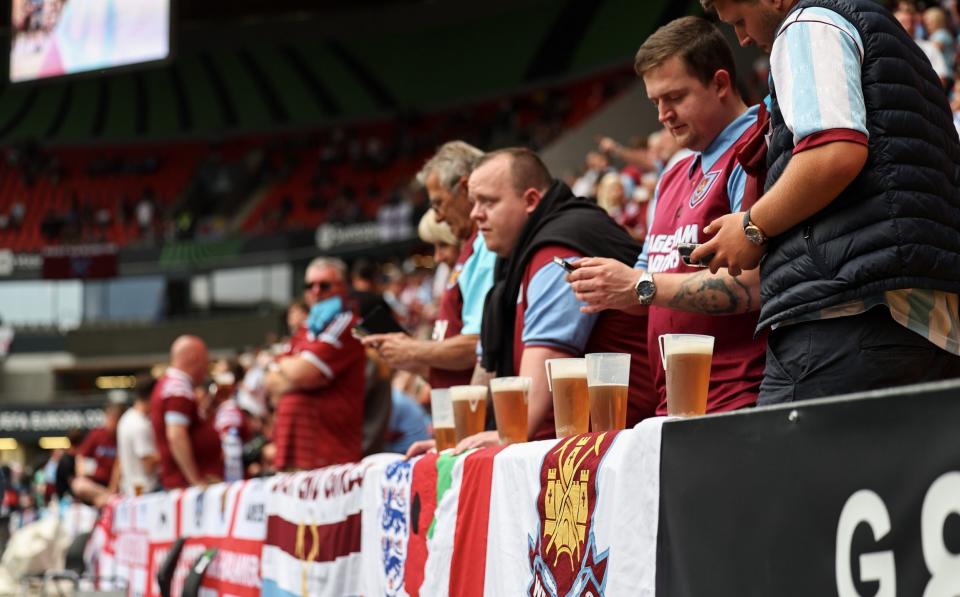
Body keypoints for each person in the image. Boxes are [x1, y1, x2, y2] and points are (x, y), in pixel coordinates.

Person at [698, 0, 960, 403]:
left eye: (740, 21)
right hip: (924, 326)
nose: (744, 38)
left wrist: (752, 227)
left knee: (786, 467)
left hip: (843, 324)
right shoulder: (888, 37)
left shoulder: (807, 23)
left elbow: (833, 152)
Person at [568, 16, 766, 414]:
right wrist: (606, 286)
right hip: (675, 406)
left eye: (674, 97)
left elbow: (753, 286)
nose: (662, 115)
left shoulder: (755, 148)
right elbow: (648, 283)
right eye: (655, 102)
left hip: (739, 399)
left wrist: (641, 285)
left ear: (721, 83)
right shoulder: (675, 170)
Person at [466, 147, 657, 448]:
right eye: (474, 202)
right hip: (590, 448)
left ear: (530, 201)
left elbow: (532, 400)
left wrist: (501, 434)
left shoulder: (557, 251)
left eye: (488, 202)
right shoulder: (523, 255)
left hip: (607, 452)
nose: (475, 214)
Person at [362, 141, 494, 390]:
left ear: (464, 188)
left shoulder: (487, 245)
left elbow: (477, 345)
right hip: (460, 400)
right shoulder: (473, 247)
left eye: (438, 203)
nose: (439, 216)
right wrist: (408, 355)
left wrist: (413, 350)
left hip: (476, 404)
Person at [265, 257, 366, 470]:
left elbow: (305, 374)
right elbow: (270, 383)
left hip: (330, 456)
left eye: (324, 285)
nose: (316, 291)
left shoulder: (348, 324)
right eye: (309, 285)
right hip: (293, 455)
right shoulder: (304, 329)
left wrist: (282, 363)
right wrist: (293, 371)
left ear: (343, 287)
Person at [151, 335, 222, 489]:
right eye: (205, 360)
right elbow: (176, 436)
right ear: (193, 357)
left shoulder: (172, 385)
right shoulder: (178, 389)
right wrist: (195, 480)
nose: (206, 367)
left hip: (183, 483)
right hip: (184, 485)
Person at [71, 401, 123, 507]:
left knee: (100, 501)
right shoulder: (97, 434)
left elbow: (118, 466)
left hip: (115, 484)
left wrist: (112, 488)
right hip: (95, 485)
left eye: (113, 419)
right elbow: (81, 457)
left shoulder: (121, 436)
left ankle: (108, 498)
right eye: (108, 418)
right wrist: (82, 474)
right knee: (78, 484)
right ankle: (109, 498)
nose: (110, 422)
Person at [117, 375, 159, 496]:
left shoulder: (126, 419)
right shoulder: (140, 425)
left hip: (131, 490)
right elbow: (148, 464)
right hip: (146, 492)